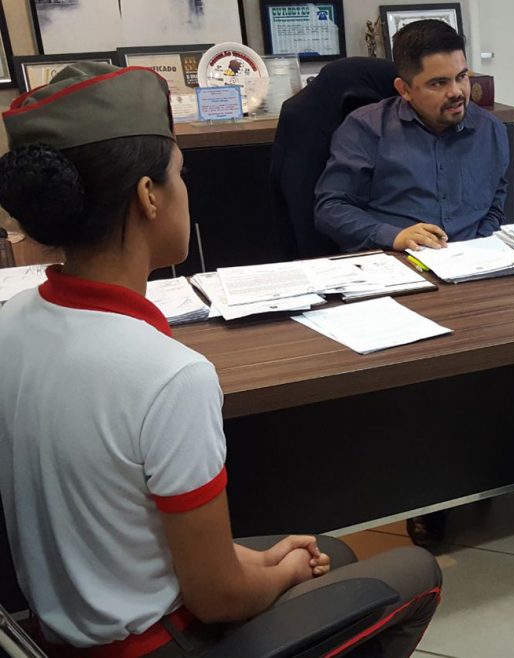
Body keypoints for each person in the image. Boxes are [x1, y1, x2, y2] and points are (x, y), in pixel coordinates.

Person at [0, 63, 441, 657]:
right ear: (148, 196)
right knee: (415, 572)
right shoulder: (168, 376)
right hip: (154, 643)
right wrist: (280, 573)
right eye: (179, 175)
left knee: (330, 554)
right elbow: (217, 598)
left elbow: (126, 524)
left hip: (62, 629)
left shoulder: (11, 322)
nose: (186, 191)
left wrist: (262, 563)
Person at [313, 19, 510, 253]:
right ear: (404, 90)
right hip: (395, 257)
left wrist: (481, 245)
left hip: (473, 259)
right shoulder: (366, 128)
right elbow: (331, 208)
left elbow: (495, 204)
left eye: (461, 77)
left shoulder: (490, 129)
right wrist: (393, 236)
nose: (456, 92)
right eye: (439, 83)